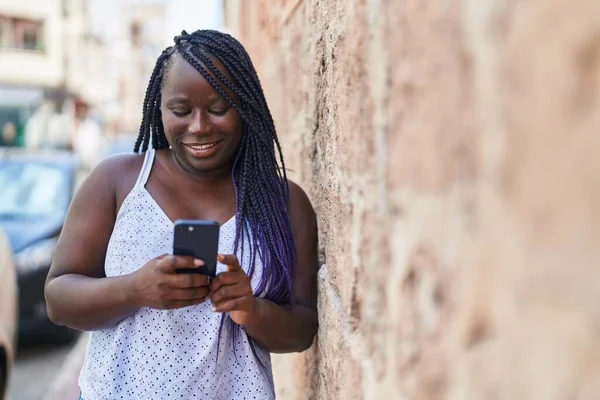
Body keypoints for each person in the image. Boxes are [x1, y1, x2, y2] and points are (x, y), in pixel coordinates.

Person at [44, 29, 318, 400]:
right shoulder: (117, 181)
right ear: (159, 108)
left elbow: (301, 330)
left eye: (219, 109)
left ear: (246, 106)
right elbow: (59, 301)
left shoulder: (284, 203)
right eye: (181, 110)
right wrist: (134, 289)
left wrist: (250, 309)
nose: (200, 126)